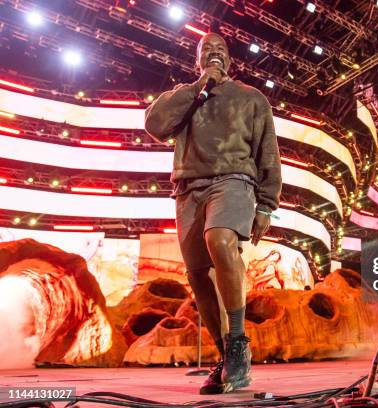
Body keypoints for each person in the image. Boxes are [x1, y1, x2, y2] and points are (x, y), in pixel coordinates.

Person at [144, 32, 282, 394]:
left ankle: (237, 341)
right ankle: (228, 360)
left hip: (234, 179)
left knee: (219, 239)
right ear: (198, 61)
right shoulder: (184, 96)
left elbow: (268, 152)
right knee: (197, 275)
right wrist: (196, 89)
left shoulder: (252, 98)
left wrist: (266, 203)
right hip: (188, 189)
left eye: (221, 50)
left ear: (231, 61)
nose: (215, 54)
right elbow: (154, 125)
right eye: (208, 51)